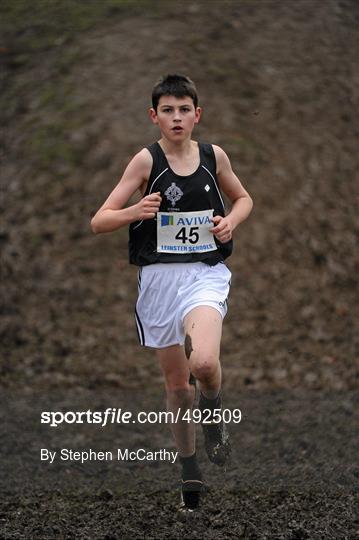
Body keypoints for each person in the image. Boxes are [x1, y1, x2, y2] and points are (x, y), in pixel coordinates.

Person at [91, 74, 253, 511]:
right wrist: (134, 211)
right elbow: (99, 220)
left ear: (197, 114)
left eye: (184, 109)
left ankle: (214, 413)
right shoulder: (144, 162)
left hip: (204, 273)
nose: (177, 117)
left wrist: (230, 222)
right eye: (168, 110)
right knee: (178, 387)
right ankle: (189, 470)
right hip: (159, 281)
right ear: (154, 116)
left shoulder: (213, 155)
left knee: (203, 362)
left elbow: (243, 199)